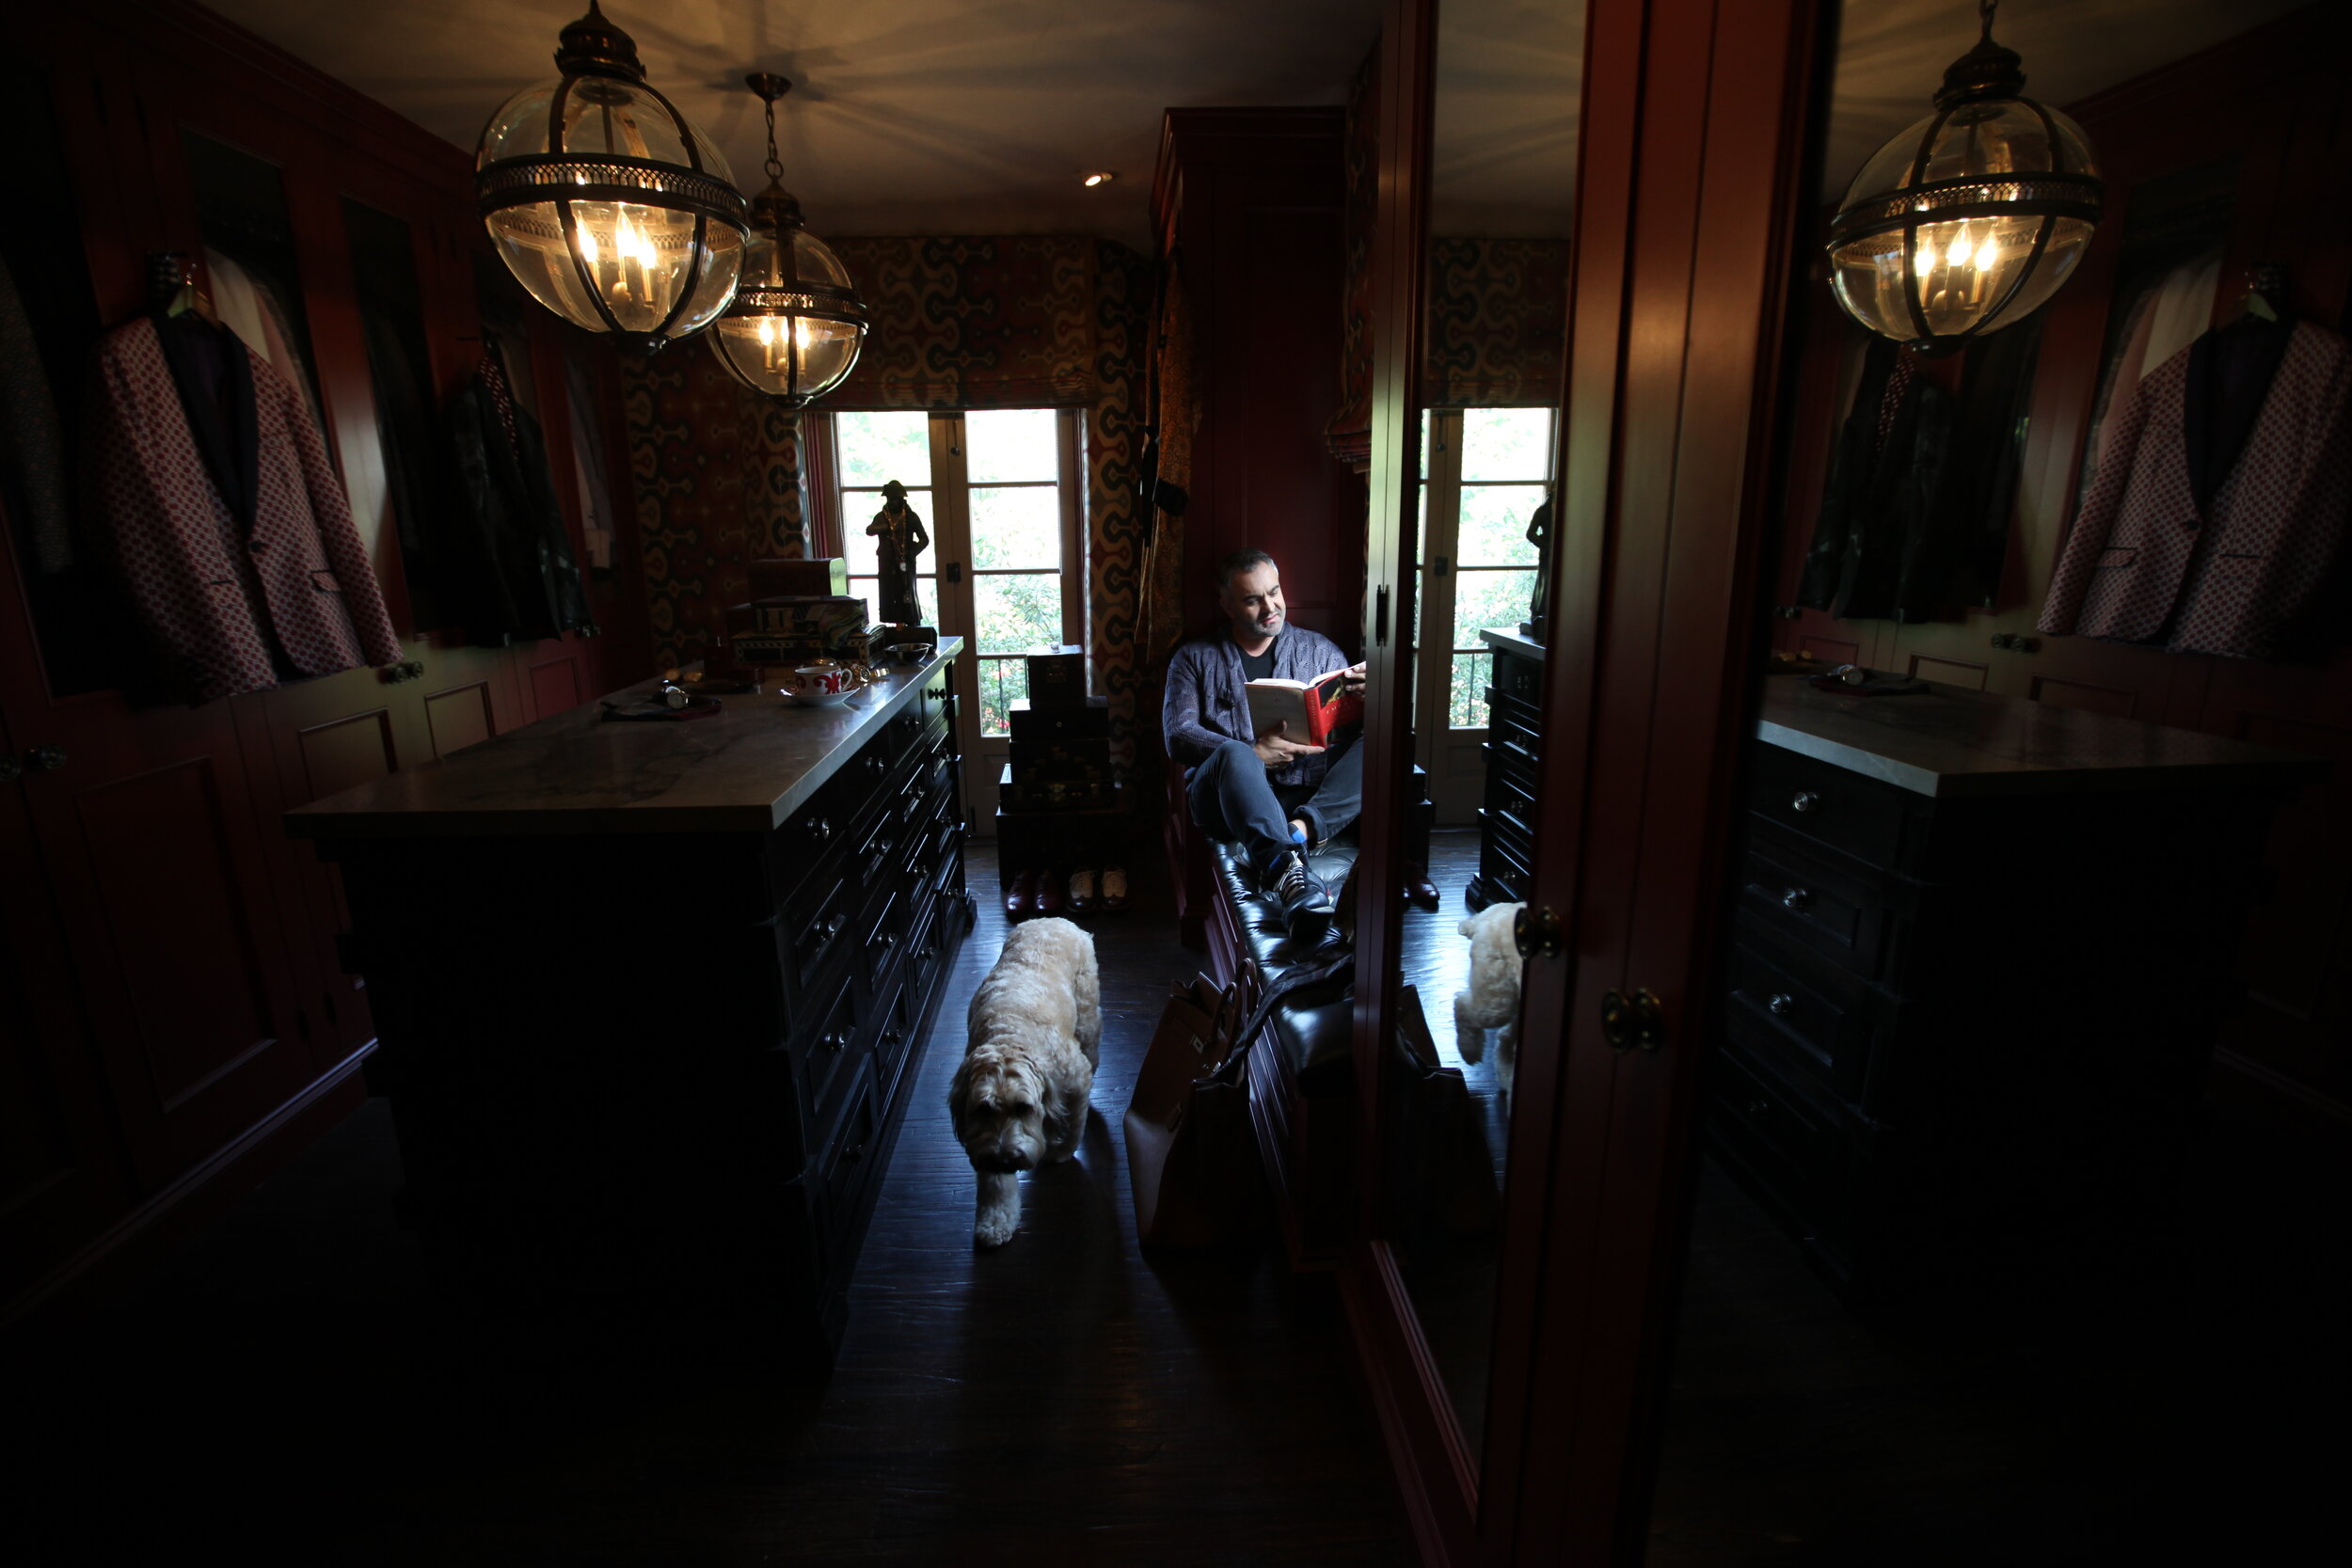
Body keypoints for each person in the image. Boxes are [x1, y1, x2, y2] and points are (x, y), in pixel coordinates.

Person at [1164, 548, 1364, 939]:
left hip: (1306, 797)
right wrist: (1253, 753)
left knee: (1383, 740)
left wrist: (1370, 697)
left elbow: (1348, 732)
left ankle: (1297, 836)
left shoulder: (1320, 651)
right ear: (1226, 605)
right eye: (1252, 599)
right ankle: (1287, 867)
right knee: (1234, 753)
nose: (1270, 607)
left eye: (1274, 592)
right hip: (1225, 802)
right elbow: (1178, 735)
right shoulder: (1193, 658)